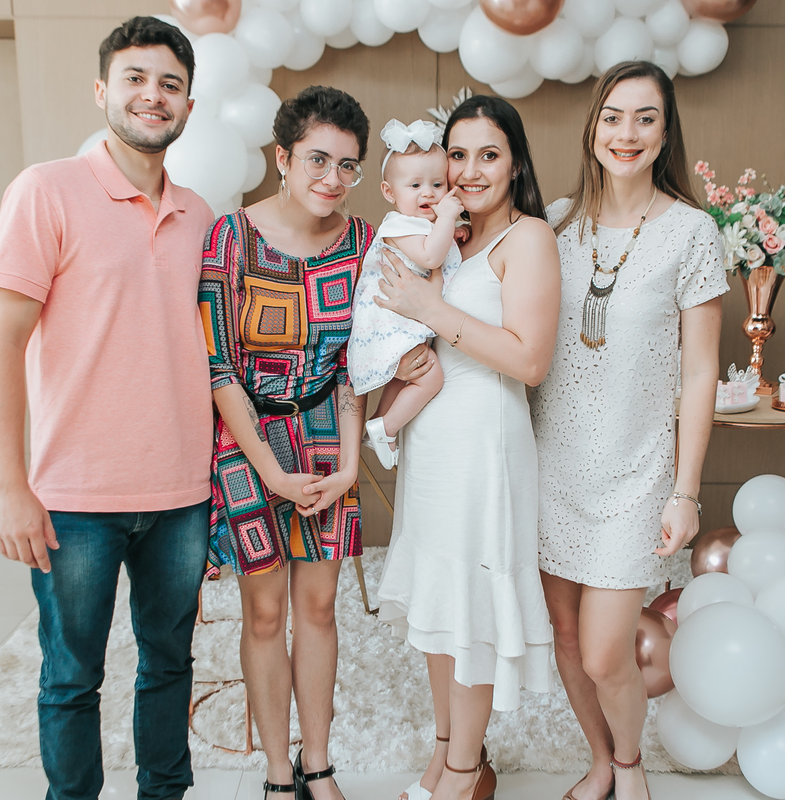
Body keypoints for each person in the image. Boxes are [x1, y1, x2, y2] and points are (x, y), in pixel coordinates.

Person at [0, 17, 214, 800]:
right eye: (136, 78)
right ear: (102, 91)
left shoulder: (200, 215)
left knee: (169, 663)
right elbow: (2, 346)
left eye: (171, 84)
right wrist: (10, 485)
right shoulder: (45, 190)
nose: (153, 95)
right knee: (71, 675)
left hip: (181, 493)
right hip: (74, 495)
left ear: (188, 105)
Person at [530, 61, 729, 800]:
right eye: (613, 116)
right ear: (593, 128)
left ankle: (630, 764)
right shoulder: (555, 224)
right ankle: (600, 760)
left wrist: (686, 491)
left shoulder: (692, 232)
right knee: (566, 636)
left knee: (606, 652)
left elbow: (700, 374)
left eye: (646, 118)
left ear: (665, 133)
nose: (627, 133)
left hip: (636, 473)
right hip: (551, 466)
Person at [373, 96, 561, 800]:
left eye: (489, 154)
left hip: (485, 443)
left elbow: (530, 361)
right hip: (433, 442)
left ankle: (461, 773)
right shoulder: (445, 236)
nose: (471, 170)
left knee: (471, 608)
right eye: (458, 154)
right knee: (439, 605)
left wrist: (433, 310)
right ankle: (449, 755)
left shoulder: (527, 238)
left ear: (515, 163)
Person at [198, 85, 371, 800]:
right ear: (283, 158)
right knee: (266, 611)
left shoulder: (363, 244)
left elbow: (361, 365)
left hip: (328, 435)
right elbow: (218, 368)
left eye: (348, 165)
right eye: (317, 159)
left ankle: (318, 765)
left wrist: (350, 465)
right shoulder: (230, 238)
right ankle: (276, 771)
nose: (332, 178)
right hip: (246, 442)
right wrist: (270, 472)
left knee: (320, 610)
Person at [347, 118, 465, 470]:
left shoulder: (423, 224)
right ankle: (386, 428)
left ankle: (378, 425)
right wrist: (448, 221)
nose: (427, 193)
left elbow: (437, 245)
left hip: (402, 319)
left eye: (437, 184)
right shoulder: (398, 225)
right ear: (390, 192)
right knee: (430, 376)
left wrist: (451, 230)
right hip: (388, 320)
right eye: (414, 185)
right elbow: (430, 256)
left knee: (407, 378)